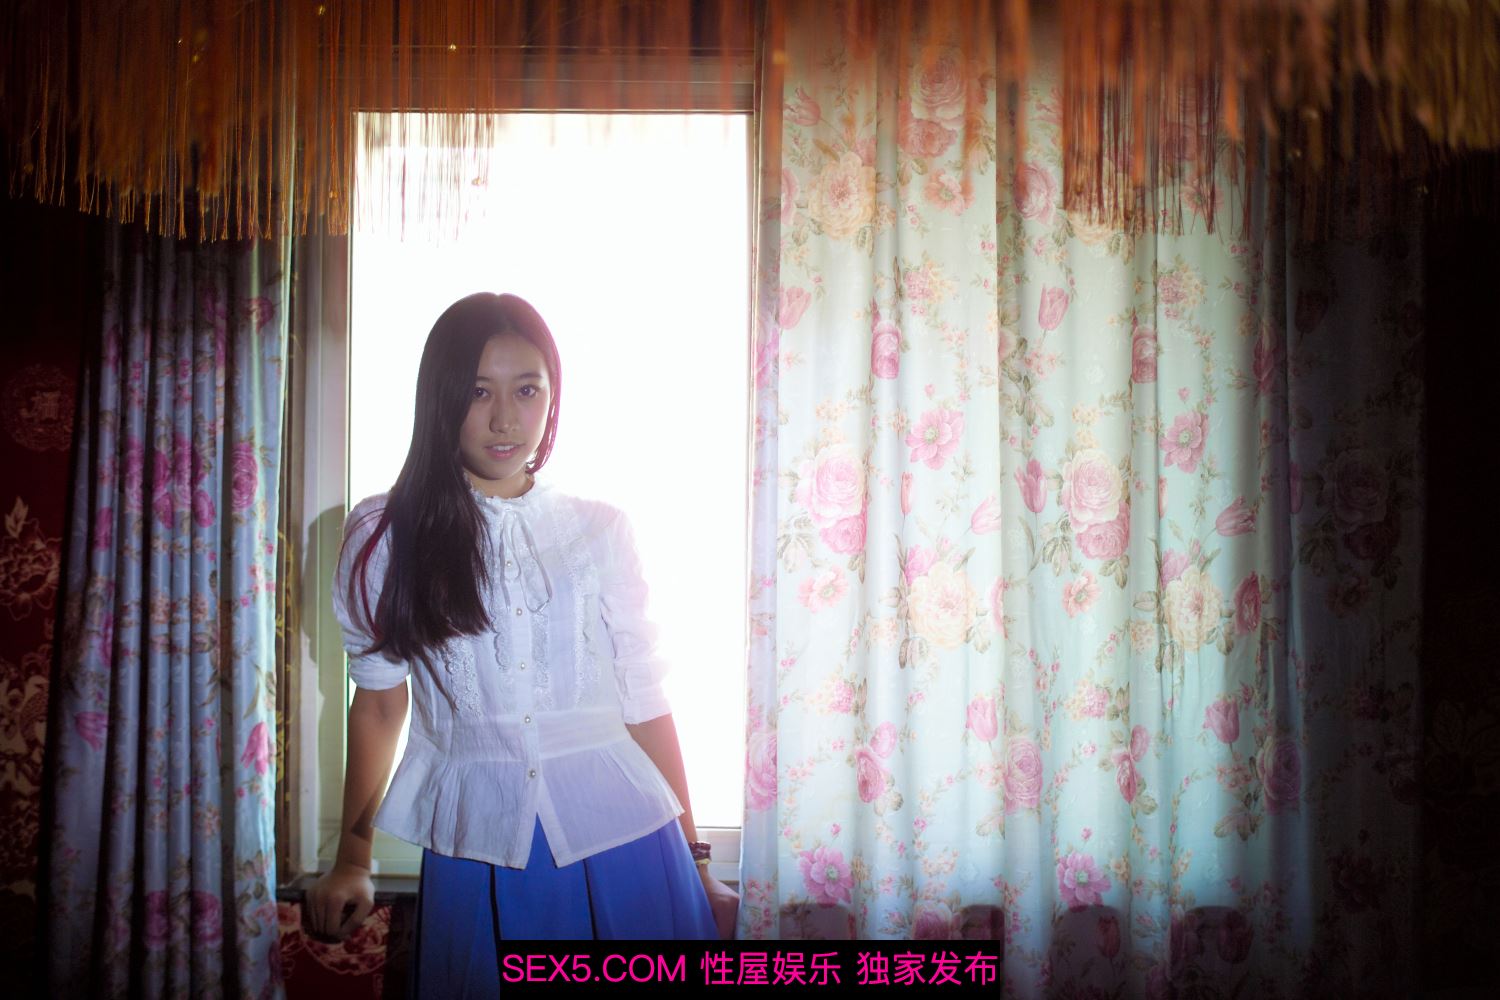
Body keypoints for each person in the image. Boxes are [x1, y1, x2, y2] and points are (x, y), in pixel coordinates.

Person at [305, 293, 738, 986]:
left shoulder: (601, 528)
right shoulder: (384, 533)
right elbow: (380, 702)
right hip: (479, 850)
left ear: (553, 395)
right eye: (478, 391)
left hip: (630, 841)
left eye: (527, 389)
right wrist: (353, 860)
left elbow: (646, 701)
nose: (505, 419)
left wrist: (699, 863)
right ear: (441, 398)